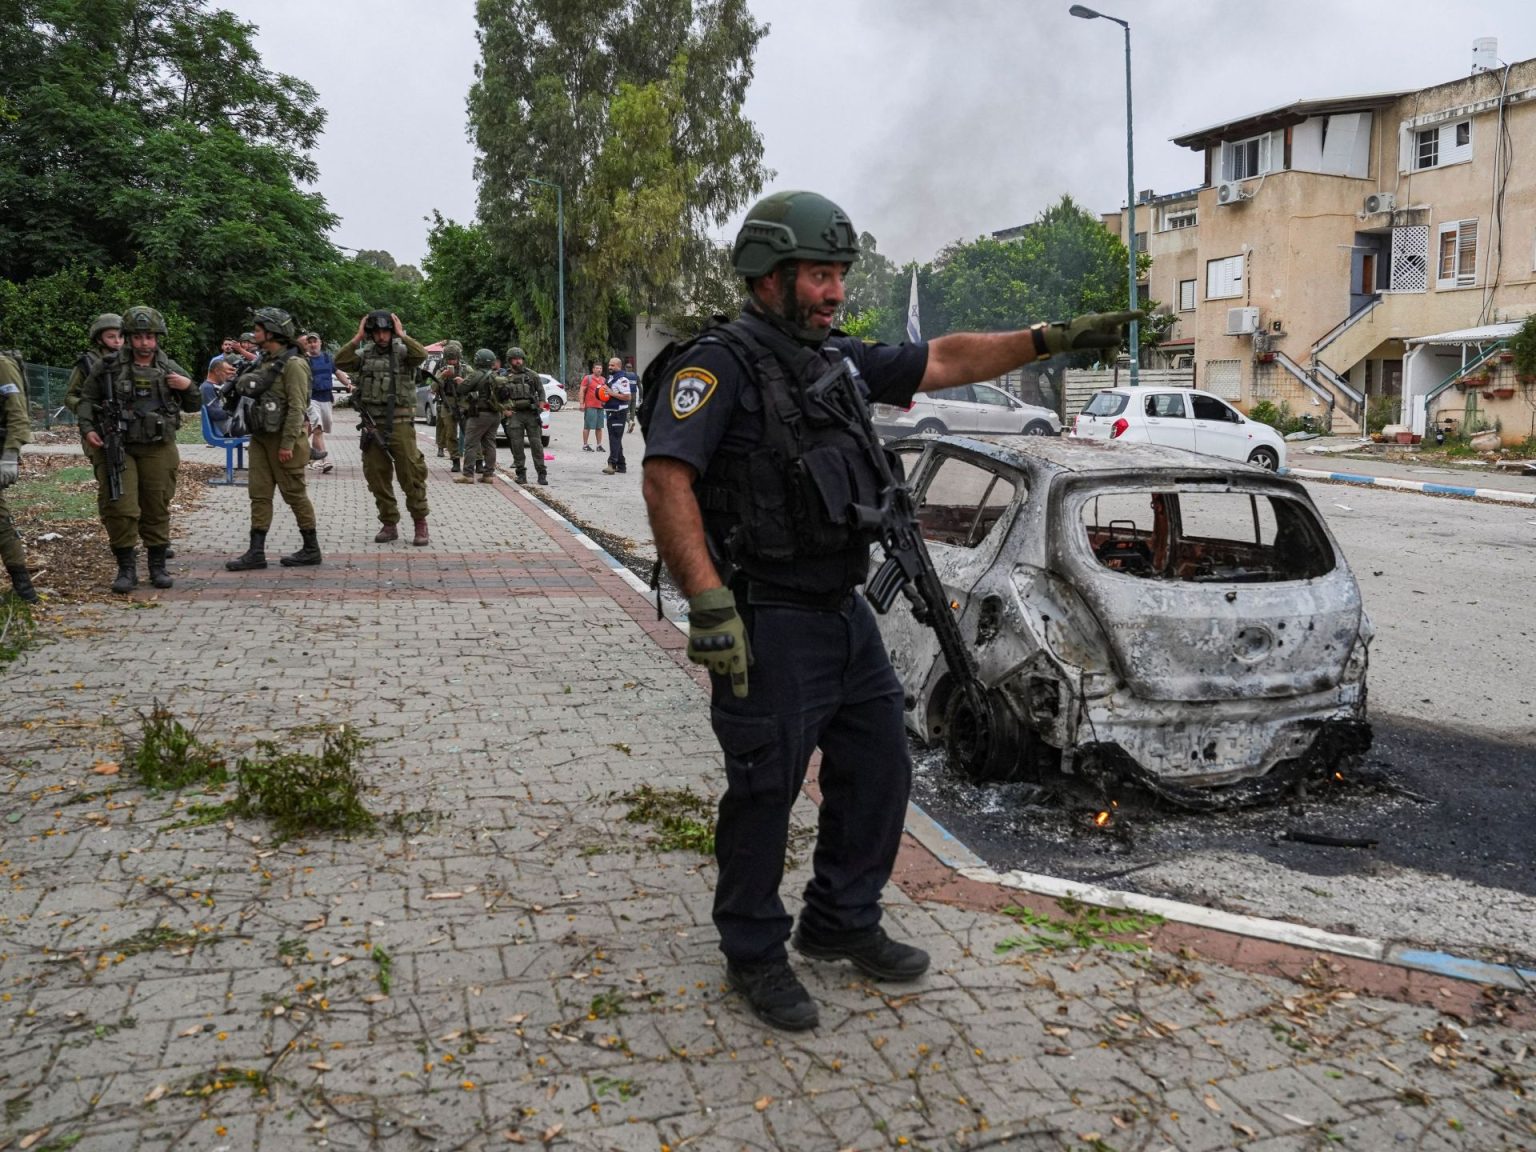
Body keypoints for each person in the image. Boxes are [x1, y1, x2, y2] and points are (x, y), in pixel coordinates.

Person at [641, 189, 1138, 1032]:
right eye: (818, 275)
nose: (835, 292)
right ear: (768, 276)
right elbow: (666, 477)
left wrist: (1047, 339)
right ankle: (754, 951)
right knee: (764, 790)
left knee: (879, 771)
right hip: (765, 618)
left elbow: (941, 360)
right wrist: (709, 605)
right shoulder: (717, 365)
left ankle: (840, 920)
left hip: (841, 612)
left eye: (840, 274)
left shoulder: (833, 359)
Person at [76, 305, 199, 593]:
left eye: (150, 337)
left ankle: (157, 567)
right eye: (139, 337)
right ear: (128, 338)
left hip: (159, 447)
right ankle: (126, 569)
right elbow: (85, 401)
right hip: (119, 446)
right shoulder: (107, 367)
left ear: (158, 338)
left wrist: (188, 385)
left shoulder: (169, 367)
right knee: (121, 506)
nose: (145, 343)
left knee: (157, 505)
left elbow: (195, 404)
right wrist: (89, 429)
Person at [223, 308, 322, 571]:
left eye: (258, 329)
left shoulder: (294, 364)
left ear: (273, 332)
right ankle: (256, 552)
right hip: (261, 438)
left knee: (294, 495)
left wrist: (288, 444)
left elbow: (297, 407)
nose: (254, 334)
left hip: (284, 441)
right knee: (259, 494)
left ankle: (311, 549)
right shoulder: (263, 361)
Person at [333, 311, 431, 546]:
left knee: (411, 474)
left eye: (385, 331)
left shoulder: (404, 352)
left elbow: (422, 354)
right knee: (377, 476)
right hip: (372, 425)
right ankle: (389, 523)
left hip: (400, 425)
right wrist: (357, 337)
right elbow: (339, 361)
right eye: (376, 332)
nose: (381, 336)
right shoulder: (364, 355)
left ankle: (420, 523)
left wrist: (401, 334)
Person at [0, 343, 37, 603]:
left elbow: (17, 413)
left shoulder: (2, 366)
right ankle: (23, 589)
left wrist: (10, 456)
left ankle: (24, 588)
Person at [453, 348, 503, 485]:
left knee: (470, 444)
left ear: (478, 360)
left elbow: (462, 389)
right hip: (495, 414)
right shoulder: (495, 376)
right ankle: (488, 475)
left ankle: (468, 475)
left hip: (479, 415)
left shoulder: (476, 374)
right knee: (490, 444)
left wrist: (460, 382)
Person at [500, 346, 547, 485]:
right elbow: (496, 397)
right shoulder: (503, 378)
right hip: (514, 414)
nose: (518, 361)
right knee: (517, 445)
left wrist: (541, 405)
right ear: (510, 361)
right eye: (515, 359)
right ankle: (521, 474)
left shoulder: (532, 375)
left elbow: (541, 392)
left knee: (537, 445)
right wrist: (504, 410)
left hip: (531, 414)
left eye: (520, 359)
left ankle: (542, 474)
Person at [63, 313, 123, 417]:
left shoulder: (133, 359)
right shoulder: (88, 362)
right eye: (111, 337)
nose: (117, 341)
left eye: (121, 336)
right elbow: (70, 397)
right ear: (99, 339)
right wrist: (87, 407)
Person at [302, 331, 345, 471]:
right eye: (310, 342)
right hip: (311, 398)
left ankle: (297, 450)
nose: (313, 344)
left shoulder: (327, 358)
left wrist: (349, 385)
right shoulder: (304, 360)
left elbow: (338, 372)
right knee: (318, 429)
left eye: (315, 342)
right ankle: (324, 460)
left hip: (326, 398)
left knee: (310, 431)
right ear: (306, 345)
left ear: (320, 343)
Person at [434, 341, 465, 470]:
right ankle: (455, 460)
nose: (452, 362)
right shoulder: (441, 371)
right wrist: (442, 376)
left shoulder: (466, 369)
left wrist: (463, 382)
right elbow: (433, 387)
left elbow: (476, 386)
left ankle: (478, 461)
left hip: (464, 404)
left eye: (454, 359)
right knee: (450, 434)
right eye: (449, 360)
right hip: (447, 404)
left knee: (470, 433)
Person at [601, 356, 634, 475]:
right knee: (616, 439)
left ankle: (612, 464)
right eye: (609, 365)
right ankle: (622, 465)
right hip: (611, 412)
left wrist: (611, 393)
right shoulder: (611, 378)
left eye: (612, 365)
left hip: (619, 413)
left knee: (614, 438)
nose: (609, 367)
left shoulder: (622, 379)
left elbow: (628, 397)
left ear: (619, 366)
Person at [200, 358, 235, 435]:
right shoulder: (207, 388)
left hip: (228, 425)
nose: (229, 375)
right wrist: (233, 411)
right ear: (217, 371)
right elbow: (214, 414)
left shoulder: (215, 386)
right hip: (225, 429)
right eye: (227, 372)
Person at [579, 360, 606, 452]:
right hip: (590, 405)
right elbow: (582, 390)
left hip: (600, 406)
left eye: (600, 368)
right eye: (597, 368)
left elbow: (605, 392)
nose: (599, 370)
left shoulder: (603, 379)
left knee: (599, 427)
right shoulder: (588, 378)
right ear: (593, 369)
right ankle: (585, 445)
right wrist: (581, 403)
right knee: (588, 426)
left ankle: (599, 445)